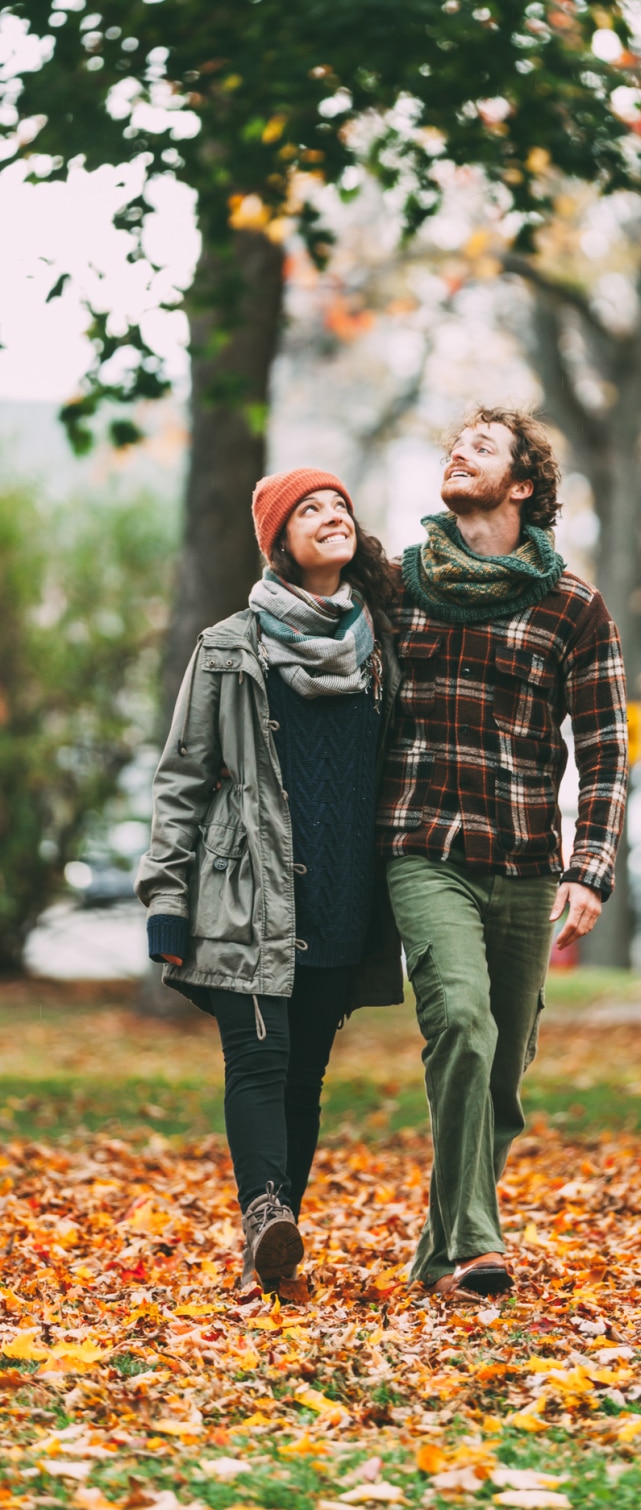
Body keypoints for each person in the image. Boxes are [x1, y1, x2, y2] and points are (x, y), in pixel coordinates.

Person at [379, 406, 629, 1299]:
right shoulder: (398, 583)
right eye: (455, 445)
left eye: (481, 448)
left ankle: (437, 1250)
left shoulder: (572, 606)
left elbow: (604, 748)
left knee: (505, 1073)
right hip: (421, 846)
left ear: (522, 486)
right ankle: (481, 1243)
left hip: (524, 861)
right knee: (463, 1024)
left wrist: (589, 866)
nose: (458, 452)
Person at [136, 469, 404, 1296]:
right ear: (279, 543)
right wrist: (166, 899)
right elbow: (182, 776)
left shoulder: (381, 646)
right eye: (309, 510)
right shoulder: (229, 646)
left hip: (343, 894)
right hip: (248, 892)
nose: (332, 516)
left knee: (306, 1075)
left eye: (340, 506)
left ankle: (273, 1242)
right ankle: (264, 1218)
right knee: (260, 1060)